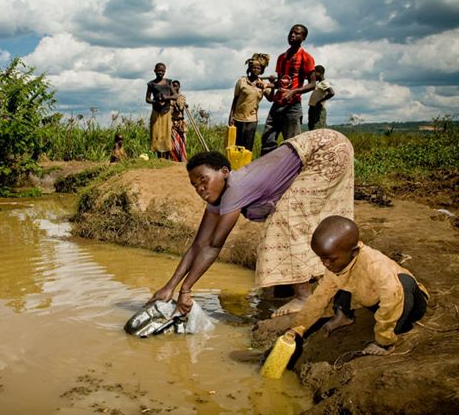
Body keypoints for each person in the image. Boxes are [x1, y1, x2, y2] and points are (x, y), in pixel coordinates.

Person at [148, 128, 354, 317]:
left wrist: (186, 289)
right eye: (195, 185)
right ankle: (304, 283)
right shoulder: (218, 197)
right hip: (318, 146)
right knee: (301, 215)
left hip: (326, 149)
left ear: (224, 172)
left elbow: (213, 245)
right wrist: (170, 287)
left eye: (203, 179)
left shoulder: (234, 189)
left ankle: (303, 297)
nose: (200, 188)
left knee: (284, 221)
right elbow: (198, 245)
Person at [288, 215, 429, 355]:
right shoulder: (339, 263)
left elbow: (393, 299)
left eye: (330, 259)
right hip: (375, 299)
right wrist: (297, 328)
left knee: (404, 282)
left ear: (354, 251)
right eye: (322, 258)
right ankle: (344, 316)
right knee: (338, 279)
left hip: (407, 304)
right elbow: (319, 298)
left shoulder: (375, 264)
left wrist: (383, 337)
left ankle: (388, 344)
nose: (325, 263)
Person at [260, 24, 316, 156]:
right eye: (291, 32)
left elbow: (313, 84)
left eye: (297, 33)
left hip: (292, 106)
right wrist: (269, 84)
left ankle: (293, 174)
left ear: (304, 38)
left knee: (293, 144)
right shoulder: (281, 57)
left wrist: (294, 92)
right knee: (268, 140)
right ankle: (266, 172)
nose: (292, 35)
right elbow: (281, 83)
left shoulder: (306, 57)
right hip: (277, 104)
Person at [228, 53, 274, 152]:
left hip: (252, 120)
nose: (256, 70)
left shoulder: (262, 84)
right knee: (236, 146)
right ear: (249, 69)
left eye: (258, 68)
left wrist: (272, 85)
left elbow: (271, 98)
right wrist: (231, 117)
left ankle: (246, 166)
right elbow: (235, 99)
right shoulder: (242, 81)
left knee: (248, 148)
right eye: (253, 68)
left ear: (261, 70)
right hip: (238, 119)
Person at [146, 63, 177, 159]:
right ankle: (159, 157)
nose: (160, 72)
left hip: (166, 111)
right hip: (156, 111)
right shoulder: (151, 84)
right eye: (158, 70)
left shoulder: (168, 82)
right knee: (156, 133)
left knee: (166, 133)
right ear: (154, 71)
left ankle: (166, 157)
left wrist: (166, 97)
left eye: (162, 71)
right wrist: (155, 101)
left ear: (165, 71)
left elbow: (175, 96)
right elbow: (147, 99)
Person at [308, 65, 335, 130]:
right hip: (313, 108)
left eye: (314, 73)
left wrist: (320, 101)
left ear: (319, 73)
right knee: (312, 128)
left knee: (317, 128)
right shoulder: (318, 83)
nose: (313, 75)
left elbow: (331, 93)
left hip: (318, 109)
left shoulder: (324, 83)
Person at [170, 80, 188, 162]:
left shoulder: (181, 97)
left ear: (179, 87)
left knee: (183, 141)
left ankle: (183, 159)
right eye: (173, 86)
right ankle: (176, 160)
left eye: (176, 86)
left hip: (181, 123)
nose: (174, 87)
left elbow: (180, 107)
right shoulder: (169, 97)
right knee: (174, 142)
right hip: (172, 123)